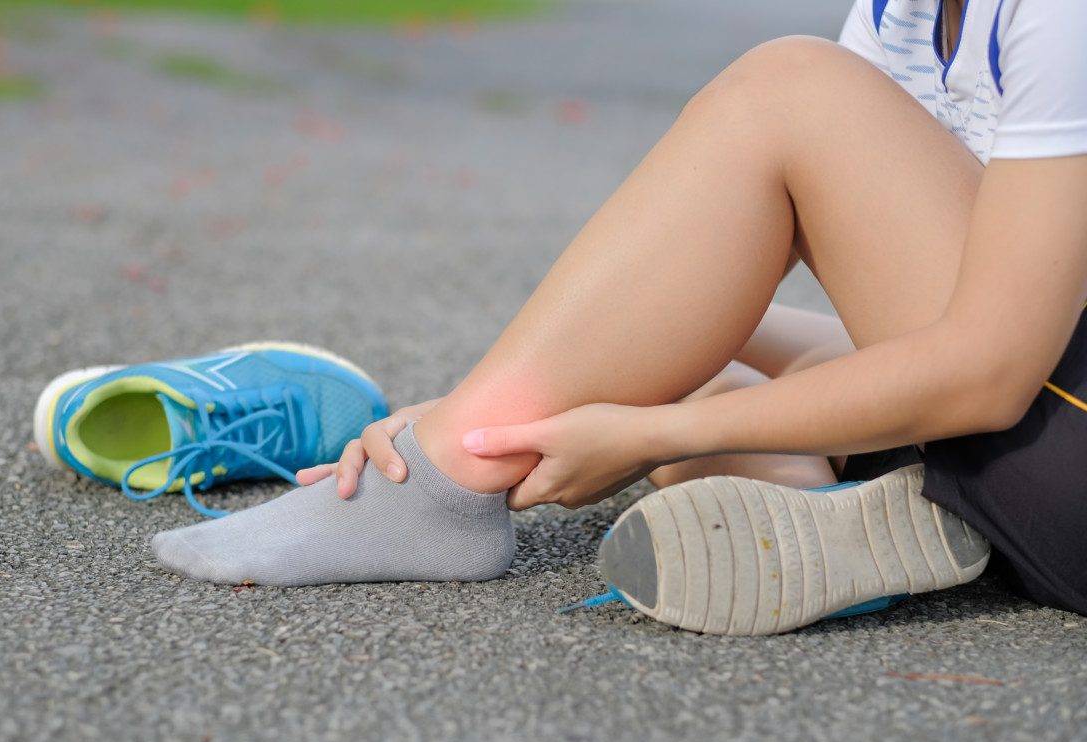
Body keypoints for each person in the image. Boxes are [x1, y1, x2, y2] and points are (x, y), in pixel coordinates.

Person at [148, 0, 1087, 633]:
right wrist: (586, 399)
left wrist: (645, 423)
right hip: (1048, 446)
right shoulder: (910, 10)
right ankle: (831, 522)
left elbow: (985, 371)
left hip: (1043, 429)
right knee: (715, 371)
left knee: (791, 91)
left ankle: (443, 479)